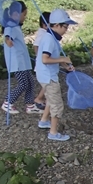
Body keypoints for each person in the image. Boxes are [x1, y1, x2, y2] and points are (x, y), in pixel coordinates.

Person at [36, 8, 76, 141]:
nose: (66, 29)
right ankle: (53, 133)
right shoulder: (49, 39)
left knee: (50, 99)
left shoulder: (53, 38)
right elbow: (45, 59)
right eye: (65, 26)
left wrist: (66, 66)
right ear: (57, 25)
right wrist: (63, 59)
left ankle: (44, 121)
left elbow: (54, 57)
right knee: (57, 104)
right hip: (48, 77)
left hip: (47, 75)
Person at [1, 0, 36, 115]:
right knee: (23, 84)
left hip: (23, 61)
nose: (25, 17)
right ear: (16, 14)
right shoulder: (10, 27)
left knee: (30, 82)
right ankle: (7, 102)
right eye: (24, 14)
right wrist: (8, 41)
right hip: (17, 62)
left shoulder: (16, 26)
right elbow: (7, 36)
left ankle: (30, 105)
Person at [30, 11, 51, 112]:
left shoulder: (46, 34)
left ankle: (44, 100)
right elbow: (36, 46)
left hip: (45, 65)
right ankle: (39, 99)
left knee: (47, 84)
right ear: (44, 24)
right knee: (47, 84)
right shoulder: (42, 34)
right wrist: (40, 57)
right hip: (42, 66)